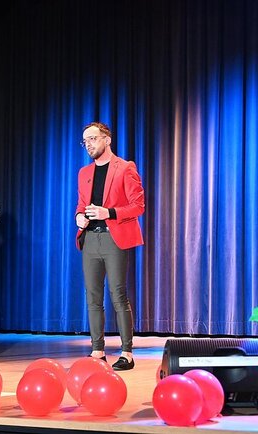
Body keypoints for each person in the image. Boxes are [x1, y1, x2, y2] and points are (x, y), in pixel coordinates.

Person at [75, 122, 145, 371]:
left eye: (93, 139)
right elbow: (81, 204)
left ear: (107, 139)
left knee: (118, 294)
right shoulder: (84, 172)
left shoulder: (125, 168)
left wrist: (109, 212)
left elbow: (138, 206)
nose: (89, 145)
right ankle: (98, 351)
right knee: (93, 296)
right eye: (85, 141)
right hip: (90, 238)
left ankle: (127, 352)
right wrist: (79, 217)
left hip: (114, 238)